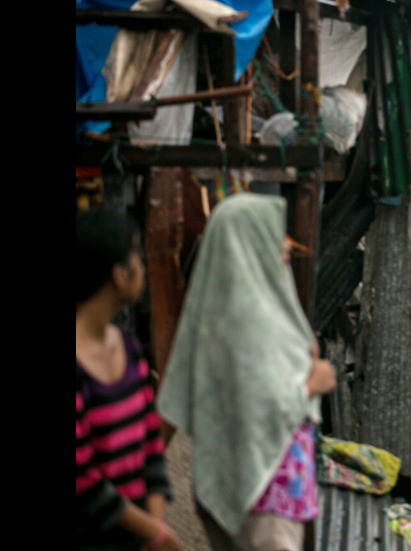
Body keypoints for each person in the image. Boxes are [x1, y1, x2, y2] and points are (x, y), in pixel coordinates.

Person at [157, 193, 337, 551]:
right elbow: (260, 404)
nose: (286, 247)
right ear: (250, 244)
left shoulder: (222, 313)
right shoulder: (249, 318)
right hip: (265, 496)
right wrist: (311, 382)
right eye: (274, 237)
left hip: (254, 488)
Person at [76, 210, 182, 551]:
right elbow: (81, 478)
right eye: (137, 253)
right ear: (120, 275)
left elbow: (151, 441)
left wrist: (154, 525)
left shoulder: (129, 348)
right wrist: (155, 533)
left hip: (136, 535)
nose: (144, 267)